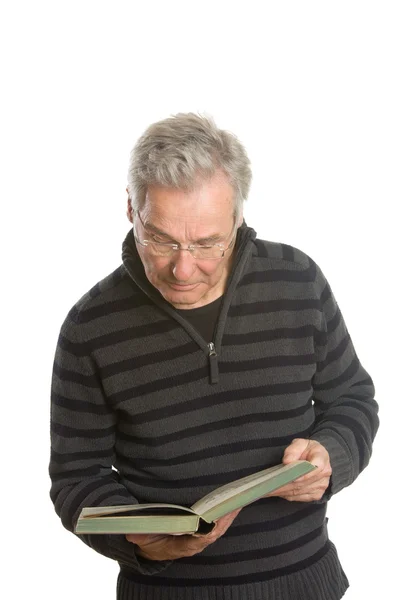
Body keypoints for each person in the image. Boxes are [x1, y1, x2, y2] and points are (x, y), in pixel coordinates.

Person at [49, 112, 379, 600]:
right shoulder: (89, 327)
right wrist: (137, 542)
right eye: (160, 238)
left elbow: (353, 399)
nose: (184, 268)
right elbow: (75, 479)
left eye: (207, 243)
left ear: (238, 218)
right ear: (130, 211)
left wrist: (333, 454)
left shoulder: (298, 280)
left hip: (305, 585)